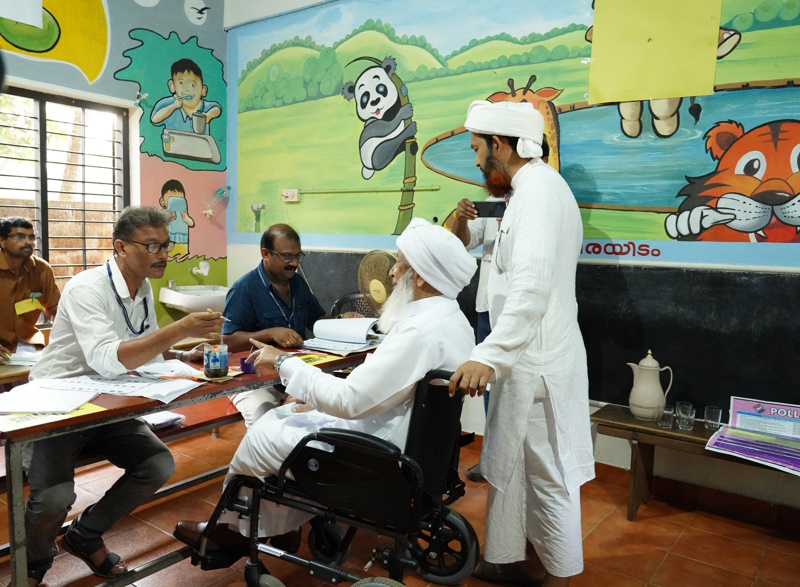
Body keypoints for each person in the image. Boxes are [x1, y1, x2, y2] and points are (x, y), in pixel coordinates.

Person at [173, 217, 477, 563]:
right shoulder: (452, 322)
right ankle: (274, 527)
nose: (392, 273)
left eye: (400, 264)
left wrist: (283, 363)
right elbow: (376, 392)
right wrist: (319, 403)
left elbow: (350, 401)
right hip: (404, 442)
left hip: (379, 455)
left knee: (264, 434)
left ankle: (232, 531)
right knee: (286, 416)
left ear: (420, 277)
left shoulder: (417, 332)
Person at [24, 206, 225, 586]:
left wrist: (182, 355)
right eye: (152, 246)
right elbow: (106, 357)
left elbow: (144, 346)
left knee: (157, 465)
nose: (163, 255)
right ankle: (32, 567)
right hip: (59, 402)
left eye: (166, 245)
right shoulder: (86, 288)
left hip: (107, 398)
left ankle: (84, 535)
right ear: (120, 247)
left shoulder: (142, 287)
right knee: (53, 499)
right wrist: (179, 329)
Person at [449, 101, 595, 587]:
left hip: (538, 361)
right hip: (526, 358)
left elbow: (531, 287)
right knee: (514, 464)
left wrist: (489, 356)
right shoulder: (529, 190)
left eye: (477, 149)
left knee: (547, 474)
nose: (476, 160)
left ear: (500, 144)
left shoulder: (539, 193)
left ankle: (559, 575)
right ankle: (513, 558)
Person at [220, 223, 359, 427]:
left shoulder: (298, 284)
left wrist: (339, 321)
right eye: (286, 256)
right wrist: (270, 333)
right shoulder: (244, 289)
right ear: (265, 254)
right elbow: (228, 341)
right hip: (254, 379)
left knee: (320, 416)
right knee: (264, 423)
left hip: (294, 370)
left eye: (297, 256)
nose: (294, 263)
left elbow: (316, 320)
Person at [0, 216, 60, 365]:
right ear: (2, 241)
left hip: (28, 348)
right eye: (20, 236)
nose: (28, 242)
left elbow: (58, 311)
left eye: (32, 237)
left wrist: (61, 343)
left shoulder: (42, 270)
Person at [150, 58, 221, 133]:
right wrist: (173, 106)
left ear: (203, 90)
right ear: (172, 86)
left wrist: (208, 115)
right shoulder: (170, 103)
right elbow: (154, 119)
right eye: (181, 83)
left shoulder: (203, 105)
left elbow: (217, 109)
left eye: (193, 85)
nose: (187, 89)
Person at [158, 179, 195, 258]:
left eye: (179, 200)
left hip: (182, 241)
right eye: (172, 200)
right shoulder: (163, 213)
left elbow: (191, 223)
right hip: (170, 241)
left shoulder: (184, 213)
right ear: (162, 201)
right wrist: (169, 219)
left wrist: (186, 219)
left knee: (183, 254)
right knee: (170, 254)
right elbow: (160, 224)